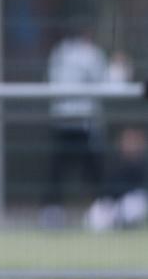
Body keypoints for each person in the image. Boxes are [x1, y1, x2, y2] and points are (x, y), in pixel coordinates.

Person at [40, 28, 109, 227]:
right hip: (83, 122)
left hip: (63, 119)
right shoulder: (92, 54)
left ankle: (53, 213)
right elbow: (103, 82)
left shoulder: (59, 51)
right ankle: (100, 212)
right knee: (90, 169)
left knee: (60, 169)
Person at [84, 127, 147, 231]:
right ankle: (116, 223)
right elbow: (108, 189)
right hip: (116, 204)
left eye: (134, 141)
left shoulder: (143, 164)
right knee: (96, 215)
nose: (130, 145)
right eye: (127, 141)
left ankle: (122, 223)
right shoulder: (117, 162)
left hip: (135, 202)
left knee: (135, 204)